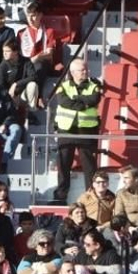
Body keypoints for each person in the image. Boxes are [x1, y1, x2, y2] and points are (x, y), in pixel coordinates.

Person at [49, 58, 100, 204]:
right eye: (82, 70)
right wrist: (82, 103)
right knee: (63, 165)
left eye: (86, 69)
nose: (85, 72)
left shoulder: (94, 85)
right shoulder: (63, 86)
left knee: (89, 166)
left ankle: (91, 198)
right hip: (66, 130)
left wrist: (76, 101)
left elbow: (94, 100)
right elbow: (63, 101)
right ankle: (60, 196)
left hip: (87, 130)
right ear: (72, 72)